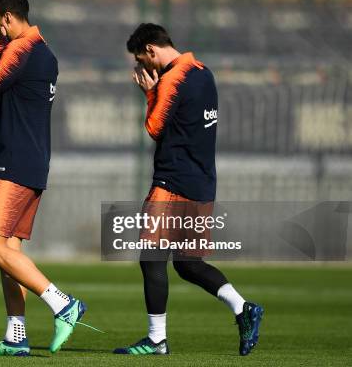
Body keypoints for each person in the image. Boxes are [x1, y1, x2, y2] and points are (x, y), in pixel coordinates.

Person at [113, 23, 263, 356]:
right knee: (188, 263)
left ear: (152, 50)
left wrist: (149, 93)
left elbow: (154, 128)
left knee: (151, 259)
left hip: (172, 182)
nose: (143, 68)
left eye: (142, 60)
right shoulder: (203, 72)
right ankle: (243, 308)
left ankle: (156, 340)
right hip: (202, 182)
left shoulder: (171, 79)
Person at [0, 0, 87, 357]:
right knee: (9, 250)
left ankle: (63, 304)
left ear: (7, 18)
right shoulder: (45, 52)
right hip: (32, 162)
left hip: (12, 163)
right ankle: (16, 334)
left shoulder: (19, 50)